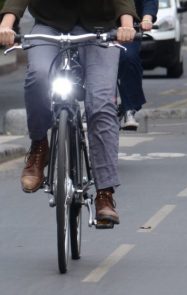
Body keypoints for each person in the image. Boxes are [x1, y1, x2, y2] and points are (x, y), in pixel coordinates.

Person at [0, 0, 138, 227]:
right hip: (50, 23)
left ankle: (105, 193)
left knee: (101, 103)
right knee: (38, 77)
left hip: (99, 27)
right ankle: (39, 148)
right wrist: (7, 24)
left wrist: (126, 24)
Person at [118, 0, 158, 131]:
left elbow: (149, 2)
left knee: (128, 58)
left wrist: (147, 18)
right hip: (96, 27)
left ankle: (129, 108)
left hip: (129, 28)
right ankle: (87, 106)